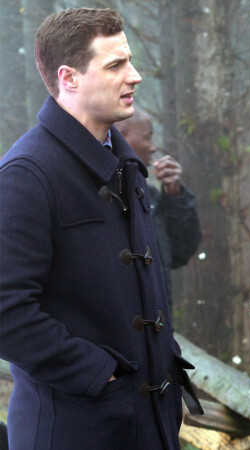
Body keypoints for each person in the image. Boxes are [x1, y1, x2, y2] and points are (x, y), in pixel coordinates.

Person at [0, 8, 201, 449]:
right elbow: (6, 310)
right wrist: (98, 373)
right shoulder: (25, 175)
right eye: (115, 65)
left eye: (130, 60)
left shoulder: (125, 164)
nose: (135, 76)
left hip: (148, 425)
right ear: (68, 78)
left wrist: (162, 366)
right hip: (74, 430)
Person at [117, 110, 201, 309]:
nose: (153, 148)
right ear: (121, 137)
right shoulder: (93, 196)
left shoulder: (150, 198)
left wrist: (175, 196)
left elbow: (180, 253)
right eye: (147, 138)